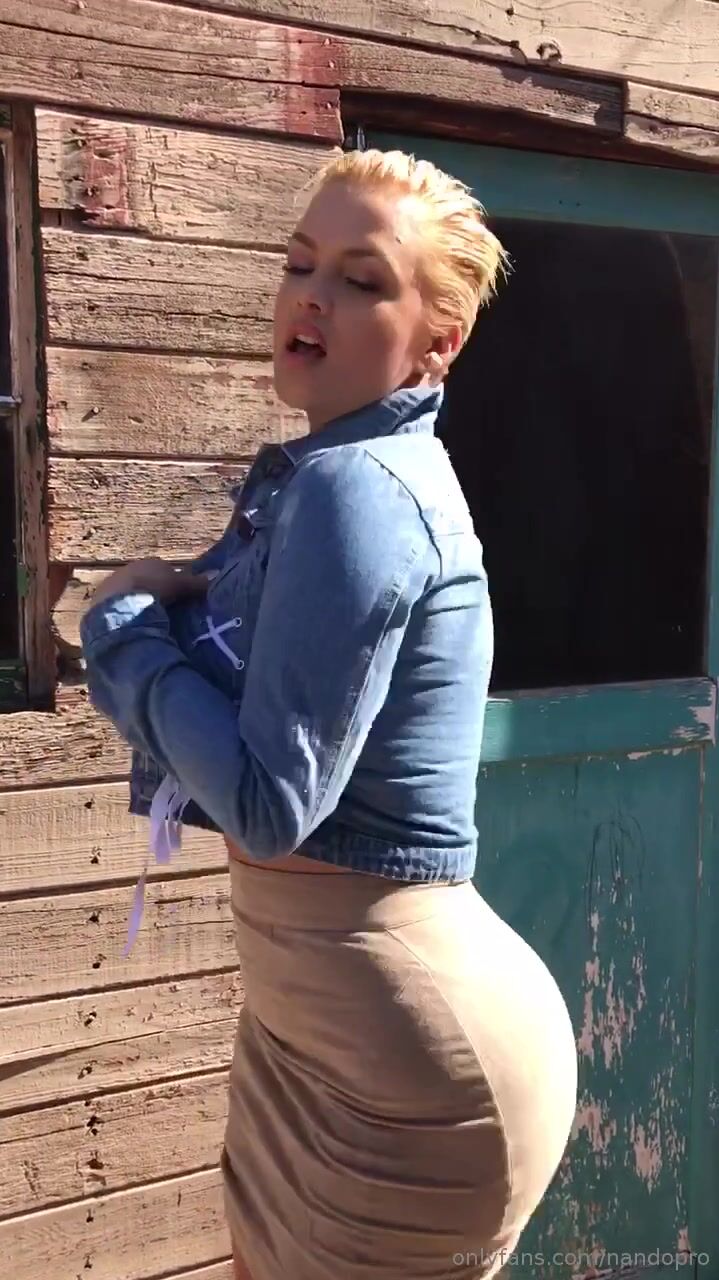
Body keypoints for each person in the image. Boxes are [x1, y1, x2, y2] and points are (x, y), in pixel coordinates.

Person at [81, 148, 578, 1280]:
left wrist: (127, 640)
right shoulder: (326, 479)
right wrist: (182, 602)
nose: (311, 296)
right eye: (300, 264)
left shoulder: (361, 490)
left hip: (399, 1057)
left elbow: (271, 805)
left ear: (439, 342)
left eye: (361, 280)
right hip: (314, 1025)